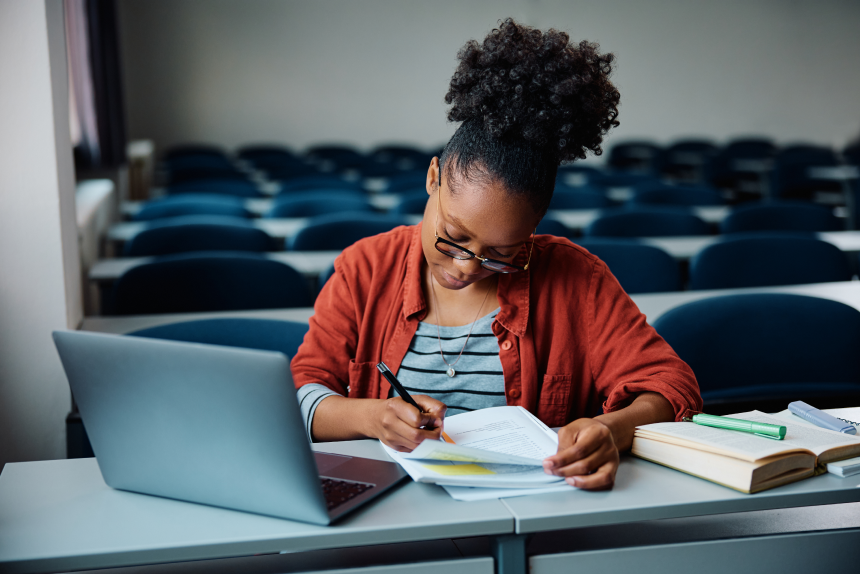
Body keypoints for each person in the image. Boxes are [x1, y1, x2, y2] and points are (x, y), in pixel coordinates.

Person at [292, 18, 702, 490]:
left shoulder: (576, 277)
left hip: (531, 516)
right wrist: (371, 416)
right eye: (453, 236)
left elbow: (671, 386)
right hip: (388, 514)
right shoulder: (364, 268)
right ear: (433, 178)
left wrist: (611, 430)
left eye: (502, 254)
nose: (466, 267)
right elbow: (304, 392)